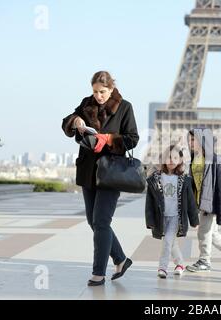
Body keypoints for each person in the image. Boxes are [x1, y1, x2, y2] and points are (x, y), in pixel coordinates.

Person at [62, 71, 139, 286]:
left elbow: (133, 139)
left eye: (103, 92)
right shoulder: (86, 103)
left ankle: (99, 273)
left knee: (102, 221)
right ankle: (121, 260)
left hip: (111, 172)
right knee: (92, 220)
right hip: (89, 171)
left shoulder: (125, 107)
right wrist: (75, 120)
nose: (99, 96)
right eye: (95, 91)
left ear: (111, 89)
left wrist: (109, 139)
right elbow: (66, 125)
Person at [186, 128, 221, 272]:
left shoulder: (214, 160)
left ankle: (205, 260)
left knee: (203, 232)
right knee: (212, 233)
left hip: (210, 203)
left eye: (192, 139)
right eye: (189, 139)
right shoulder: (194, 160)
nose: (190, 143)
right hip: (201, 203)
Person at [145, 145, 199, 278]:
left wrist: (194, 220)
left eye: (175, 157)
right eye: (168, 157)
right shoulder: (155, 179)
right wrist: (150, 220)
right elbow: (149, 203)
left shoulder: (184, 180)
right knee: (171, 242)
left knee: (168, 241)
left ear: (180, 160)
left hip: (176, 217)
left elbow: (191, 202)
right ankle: (180, 264)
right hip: (161, 217)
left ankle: (162, 268)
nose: (171, 160)